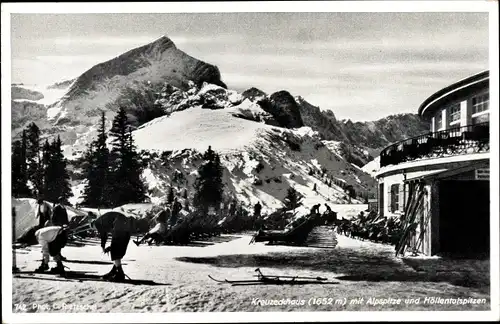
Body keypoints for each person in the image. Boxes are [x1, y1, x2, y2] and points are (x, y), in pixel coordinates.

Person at [91, 211, 139, 282]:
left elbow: (103, 235)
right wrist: (110, 247)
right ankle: (114, 271)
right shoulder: (103, 219)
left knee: (115, 251)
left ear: (93, 225)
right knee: (117, 250)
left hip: (119, 228)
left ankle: (120, 274)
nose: (96, 230)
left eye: (94, 229)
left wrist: (103, 246)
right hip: (126, 229)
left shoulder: (97, 223)